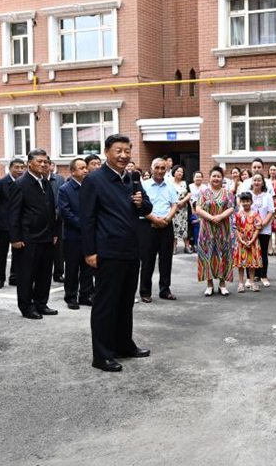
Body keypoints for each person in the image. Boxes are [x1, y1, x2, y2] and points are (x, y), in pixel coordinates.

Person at [80, 135, 154, 372]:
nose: (123, 156)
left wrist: (141, 202)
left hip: (131, 250)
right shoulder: (94, 180)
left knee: (125, 303)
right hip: (108, 251)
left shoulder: (132, 178)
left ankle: (124, 344)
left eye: (127, 151)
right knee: (106, 304)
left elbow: (147, 208)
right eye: (118, 151)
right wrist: (89, 251)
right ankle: (101, 355)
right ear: (106, 152)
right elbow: (87, 219)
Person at [9, 149, 59, 320]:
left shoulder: (46, 182)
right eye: (40, 161)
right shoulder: (20, 184)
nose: (44, 164)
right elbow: (14, 213)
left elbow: (51, 210)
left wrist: (54, 232)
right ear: (30, 163)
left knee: (44, 273)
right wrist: (15, 238)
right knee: (26, 275)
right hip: (27, 238)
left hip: (46, 236)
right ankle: (26, 307)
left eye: (46, 161)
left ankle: (41, 303)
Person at [139, 158, 179, 303]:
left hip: (166, 225)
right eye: (157, 167)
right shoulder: (144, 185)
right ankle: (145, 291)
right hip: (148, 226)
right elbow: (140, 207)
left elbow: (174, 204)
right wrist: (155, 220)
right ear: (151, 169)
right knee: (147, 260)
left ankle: (165, 290)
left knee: (166, 260)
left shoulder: (170, 185)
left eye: (163, 168)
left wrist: (167, 219)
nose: (160, 171)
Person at [57, 158, 93, 310]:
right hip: (73, 236)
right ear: (72, 172)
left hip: (90, 236)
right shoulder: (65, 189)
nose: (85, 170)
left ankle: (85, 295)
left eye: (86, 167)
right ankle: (71, 297)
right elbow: (66, 213)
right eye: (81, 168)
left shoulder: (91, 187)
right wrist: (85, 226)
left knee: (88, 267)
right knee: (72, 268)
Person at [196, 166, 235, 296]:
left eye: (219, 176)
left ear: (222, 178)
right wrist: (212, 218)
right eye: (214, 176)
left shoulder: (227, 193)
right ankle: (209, 284)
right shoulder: (203, 192)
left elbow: (231, 208)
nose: (216, 178)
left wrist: (220, 216)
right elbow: (198, 209)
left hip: (223, 229)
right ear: (210, 177)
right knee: (208, 254)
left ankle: (223, 284)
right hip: (207, 229)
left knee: (223, 254)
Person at [0, 158, 25, 289]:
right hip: (3, 225)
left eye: (22, 167)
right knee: (2, 253)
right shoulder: (0, 183)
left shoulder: (24, 183)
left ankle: (14, 276)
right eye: (16, 167)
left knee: (17, 252)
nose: (19, 170)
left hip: (18, 225)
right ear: (10, 168)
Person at [233, 191, 263, 292]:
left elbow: (258, 228)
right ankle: (241, 282)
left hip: (253, 242)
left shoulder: (255, 214)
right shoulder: (238, 215)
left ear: (251, 201)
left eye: (247, 201)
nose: (245, 203)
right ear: (241, 202)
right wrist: (241, 240)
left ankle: (251, 282)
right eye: (243, 201)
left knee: (252, 263)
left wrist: (252, 240)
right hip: (241, 242)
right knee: (241, 264)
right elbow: (235, 228)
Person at [251, 174, 274, 287]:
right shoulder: (248, 195)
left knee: (263, 252)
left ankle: (263, 275)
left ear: (262, 182)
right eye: (255, 180)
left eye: (259, 180)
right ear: (252, 182)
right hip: (250, 229)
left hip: (264, 229)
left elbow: (271, 212)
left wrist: (262, 224)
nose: (256, 182)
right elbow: (243, 210)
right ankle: (253, 274)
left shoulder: (268, 196)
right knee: (252, 252)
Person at [46, 160, 66, 284]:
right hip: (41, 221)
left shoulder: (59, 179)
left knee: (59, 250)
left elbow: (62, 198)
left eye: (48, 163)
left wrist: (57, 213)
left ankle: (58, 273)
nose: (46, 166)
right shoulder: (36, 180)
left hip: (57, 220)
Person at [172, 166, 192, 254]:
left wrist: (183, 201)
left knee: (185, 227)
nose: (180, 173)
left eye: (181, 172)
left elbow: (189, 194)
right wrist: (176, 203)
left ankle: (187, 246)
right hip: (173, 209)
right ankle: (174, 246)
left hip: (184, 208)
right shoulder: (169, 183)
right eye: (178, 171)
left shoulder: (185, 182)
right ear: (174, 172)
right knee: (173, 227)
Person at [189, 170, 203, 253]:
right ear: (193, 178)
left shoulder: (205, 187)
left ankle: (200, 244)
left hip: (202, 210)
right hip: (193, 210)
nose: (198, 178)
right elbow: (189, 199)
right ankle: (195, 244)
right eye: (196, 176)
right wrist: (193, 210)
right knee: (196, 223)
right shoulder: (190, 186)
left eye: (200, 176)